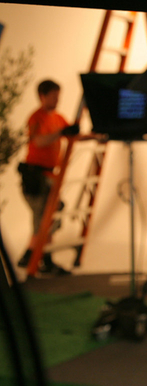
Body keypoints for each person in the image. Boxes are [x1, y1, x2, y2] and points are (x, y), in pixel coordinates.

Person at [17, 79, 79, 274]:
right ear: (42, 96)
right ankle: (39, 259)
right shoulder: (36, 118)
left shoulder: (57, 118)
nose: (57, 100)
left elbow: (71, 134)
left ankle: (34, 256)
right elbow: (38, 141)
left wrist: (97, 135)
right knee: (44, 217)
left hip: (51, 176)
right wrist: (61, 132)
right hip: (36, 175)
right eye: (53, 96)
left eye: (58, 96)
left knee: (51, 215)